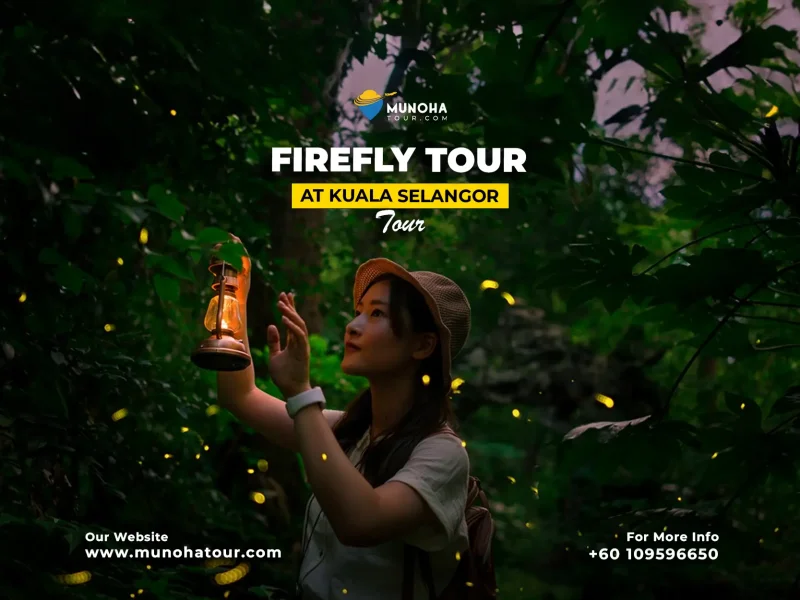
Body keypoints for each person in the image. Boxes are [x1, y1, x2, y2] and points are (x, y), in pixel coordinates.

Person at [216, 238, 472, 600]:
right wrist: (232, 296)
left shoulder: (443, 455)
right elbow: (239, 396)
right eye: (360, 311)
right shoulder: (347, 431)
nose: (353, 325)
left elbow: (360, 522)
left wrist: (300, 391)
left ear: (422, 345)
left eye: (377, 314)